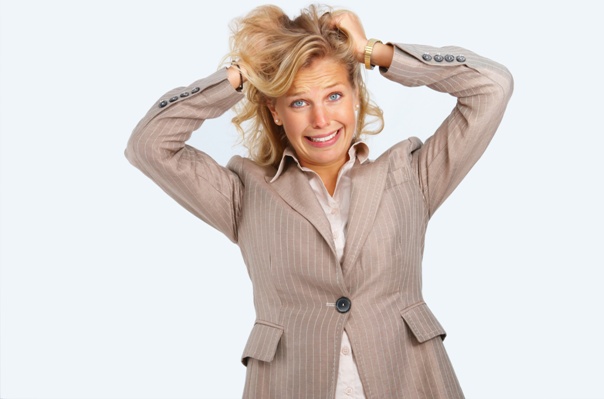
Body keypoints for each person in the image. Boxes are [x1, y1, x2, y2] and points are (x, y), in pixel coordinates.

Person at [125, 4, 513, 398]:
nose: (321, 120)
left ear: (355, 96)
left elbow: (492, 86)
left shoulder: (410, 175)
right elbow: (149, 145)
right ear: (275, 111)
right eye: (298, 102)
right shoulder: (245, 193)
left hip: (411, 382)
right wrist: (240, 75)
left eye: (333, 95)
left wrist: (373, 51)